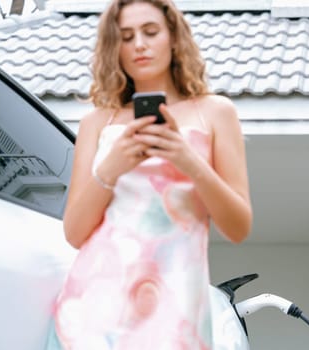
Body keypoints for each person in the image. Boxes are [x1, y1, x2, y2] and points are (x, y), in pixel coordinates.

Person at [45, 0, 252, 348]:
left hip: (177, 305)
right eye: (125, 37)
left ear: (173, 37)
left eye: (150, 32)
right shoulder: (98, 122)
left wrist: (188, 161)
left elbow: (238, 227)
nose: (139, 44)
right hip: (97, 308)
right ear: (115, 48)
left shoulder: (215, 113)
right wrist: (111, 168)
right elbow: (75, 233)